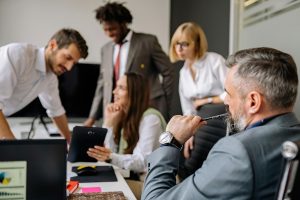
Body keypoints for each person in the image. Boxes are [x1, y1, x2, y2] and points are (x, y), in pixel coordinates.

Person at [142, 47, 300, 200]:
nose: (225, 100)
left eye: (229, 94)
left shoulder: (237, 152)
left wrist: (171, 142)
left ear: (253, 102)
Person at [84, 2, 174, 127]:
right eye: (105, 30)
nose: (109, 33)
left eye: (112, 29)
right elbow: (102, 84)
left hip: (146, 109)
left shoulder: (148, 42)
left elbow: (168, 71)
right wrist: (92, 117)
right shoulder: (105, 49)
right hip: (117, 111)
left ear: (123, 24)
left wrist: (164, 101)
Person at [0, 28, 88, 143]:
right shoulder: (18, 55)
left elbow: (56, 111)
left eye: (74, 63)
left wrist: (70, 142)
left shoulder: (50, 77)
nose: (69, 67)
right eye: (68, 57)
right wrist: (14, 148)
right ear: (52, 45)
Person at [169, 22, 227, 178]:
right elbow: (188, 109)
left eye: (184, 44)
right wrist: (189, 134)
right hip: (199, 121)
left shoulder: (215, 61)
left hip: (220, 118)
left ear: (196, 44)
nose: (179, 49)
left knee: (195, 163)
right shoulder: (183, 72)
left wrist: (206, 100)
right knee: (185, 158)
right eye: (176, 44)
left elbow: (231, 93)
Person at [87, 72, 166, 178]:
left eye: (121, 88)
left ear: (135, 93)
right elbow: (112, 153)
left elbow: (142, 162)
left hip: (149, 184)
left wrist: (109, 157)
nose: (114, 91)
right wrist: (109, 123)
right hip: (132, 177)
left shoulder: (151, 119)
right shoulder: (125, 116)